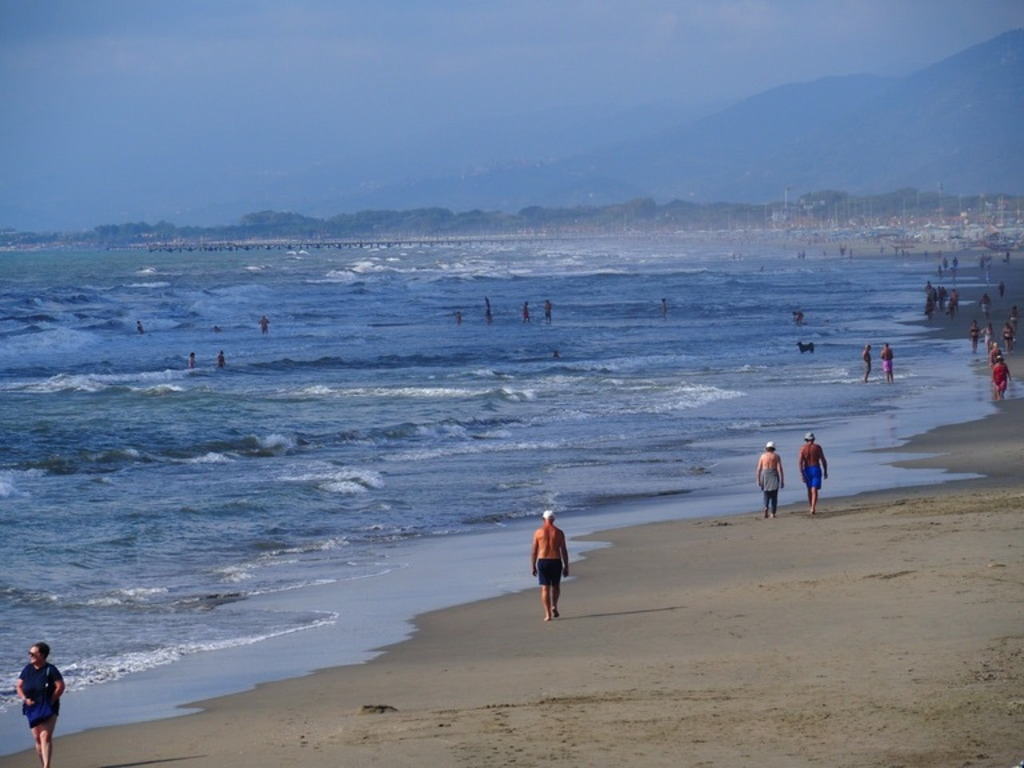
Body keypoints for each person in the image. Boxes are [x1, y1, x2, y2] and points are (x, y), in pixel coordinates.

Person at [17, 642, 65, 768]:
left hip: (48, 706)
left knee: (45, 736)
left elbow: (60, 686)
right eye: (29, 653)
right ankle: (43, 764)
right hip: (31, 707)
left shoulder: (51, 669)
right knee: (37, 738)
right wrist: (24, 698)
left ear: (42, 655)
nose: (30, 656)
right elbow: (19, 686)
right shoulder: (27, 669)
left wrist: (51, 700)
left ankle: (46, 766)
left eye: (33, 653)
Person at [531, 509, 569, 621]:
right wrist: (566, 566)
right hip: (556, 560)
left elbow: (534, 551)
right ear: (553, 519)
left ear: (543, 519)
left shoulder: (538, 532)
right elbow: (564, 551)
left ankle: (548, 614)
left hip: (543, 561)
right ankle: (554, 606)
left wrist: (533, 565)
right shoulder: (559, 532)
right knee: (556, 586)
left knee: (545, 588)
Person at [798, 432, 828, 515]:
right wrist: (825, 471)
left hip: (807, 469)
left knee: (809, 489)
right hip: (815, 468)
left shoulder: (802, 448)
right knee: (814, 489)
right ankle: (813, 507)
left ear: (806, 440)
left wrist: (801, 473)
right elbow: (823, 460)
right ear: (813, 439)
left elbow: (800, 462)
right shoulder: (817, 447)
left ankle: (811, 506)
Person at [756, 441, 785, 518]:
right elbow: (779, 468)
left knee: (766, 494)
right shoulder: (776, 456)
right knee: (774, 495)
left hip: (765, 474)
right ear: (774, 448)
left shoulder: (762, 456)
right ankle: (773, 513)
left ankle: (766, 507)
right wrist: (782, 480)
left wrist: (758, 479)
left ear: (766, 448)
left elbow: (759, 469)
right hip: (773, 473)